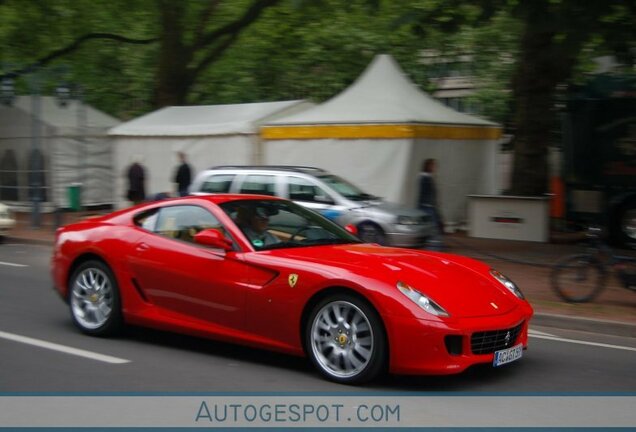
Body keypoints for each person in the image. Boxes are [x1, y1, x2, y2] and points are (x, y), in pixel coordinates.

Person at [418, 158, 444, 249]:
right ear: (428, 166)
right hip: (427, 206)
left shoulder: (428, 177)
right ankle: (435, 247)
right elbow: (425, 194)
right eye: (433, 165)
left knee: (434, 227)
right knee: (433, 228)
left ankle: (434, 246)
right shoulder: (425, 178)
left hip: (429, 206)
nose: (435, 167)